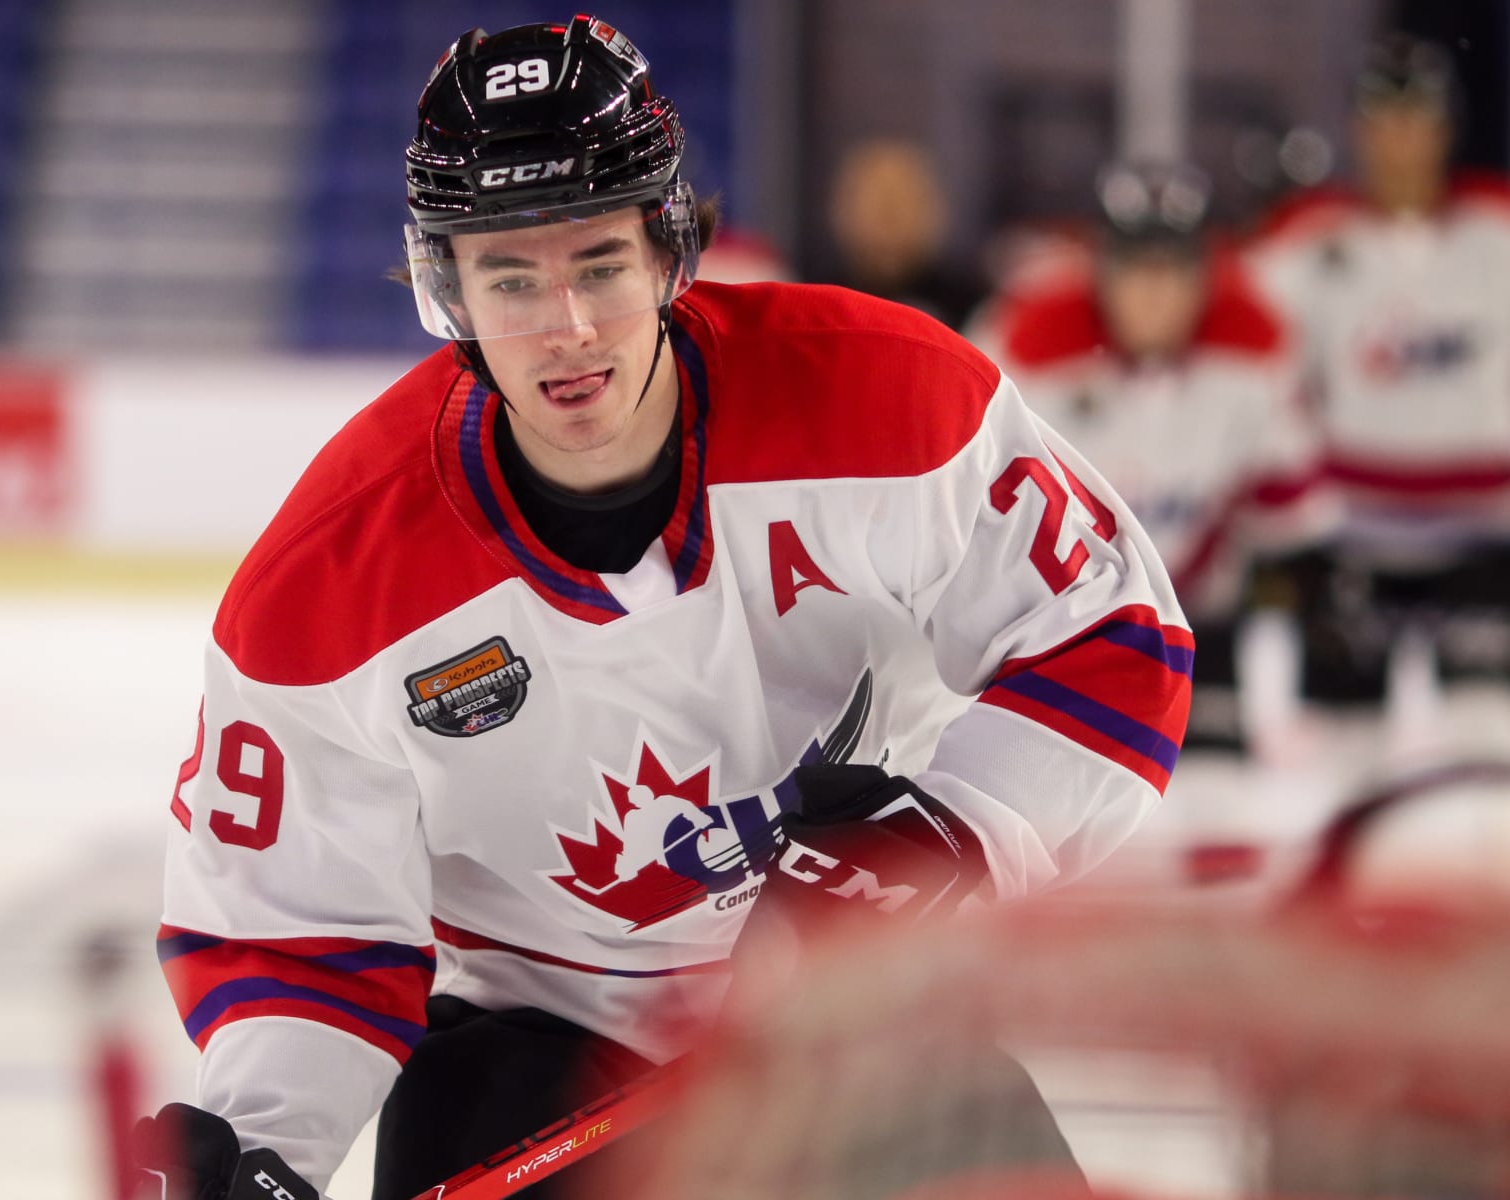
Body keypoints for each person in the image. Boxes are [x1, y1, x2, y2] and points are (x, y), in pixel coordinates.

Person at [136, 16, 1190, 1200]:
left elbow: (1111, 639)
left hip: (855, 1023)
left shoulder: (887, 399)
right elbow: (300, 939)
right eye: (512, 278)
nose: (568, 330)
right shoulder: (331, 582)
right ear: (449, 288)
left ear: (668, 251)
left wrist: (956, 834)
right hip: (531, 1043)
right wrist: (265, 1150)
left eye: (598, 265)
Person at [976, 162, 1323, 752]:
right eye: (1137, 269)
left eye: (1174, 270)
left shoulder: (1253, 358)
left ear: (1205, 278)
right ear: (1102, 274)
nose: (1156, 292)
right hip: (1058, 649)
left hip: (1203, 648)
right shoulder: (1021, 349)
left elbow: (1289, 527)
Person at [1245, 34, 1510, 708]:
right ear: (1360, 130)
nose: (1400, 139)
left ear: (1445, 126)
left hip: (1486, 538)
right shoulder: (1306, 241)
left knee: (1486, 754)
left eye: (1416, 119)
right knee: (1337, 751)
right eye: (1384, 120)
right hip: (1347, 539)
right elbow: (1240, 353)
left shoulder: (1497, 228)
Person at [823, 138, 988, 329]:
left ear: (934, 208)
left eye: (903, 200)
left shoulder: (976, 313)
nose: (888, 216)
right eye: (876, 200)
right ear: (841, 209)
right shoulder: (820, 307)